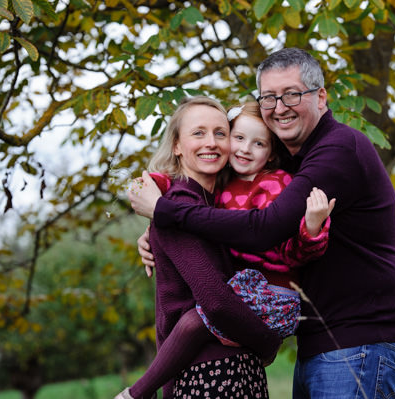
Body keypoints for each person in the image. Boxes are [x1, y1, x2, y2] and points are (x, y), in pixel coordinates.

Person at [130, 48, 395, 399]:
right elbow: (224, 218)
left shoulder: (338, 149)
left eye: (292, 94)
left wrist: (164, 214)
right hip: (324, 344)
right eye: (269, 97)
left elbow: (263, 228)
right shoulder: (291, 166)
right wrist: (159, 236)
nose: (280, 107)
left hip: (356, 342)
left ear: (321, 97)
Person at [119, 101, 335, 399]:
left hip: (233, 368)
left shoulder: (211, 201)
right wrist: (268, 343)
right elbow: (216, 303)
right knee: (195, 320)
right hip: (210, 375)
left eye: (220, 133)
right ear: (177, 145)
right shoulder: (179, 204)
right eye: (198, 133)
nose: (211, 142)